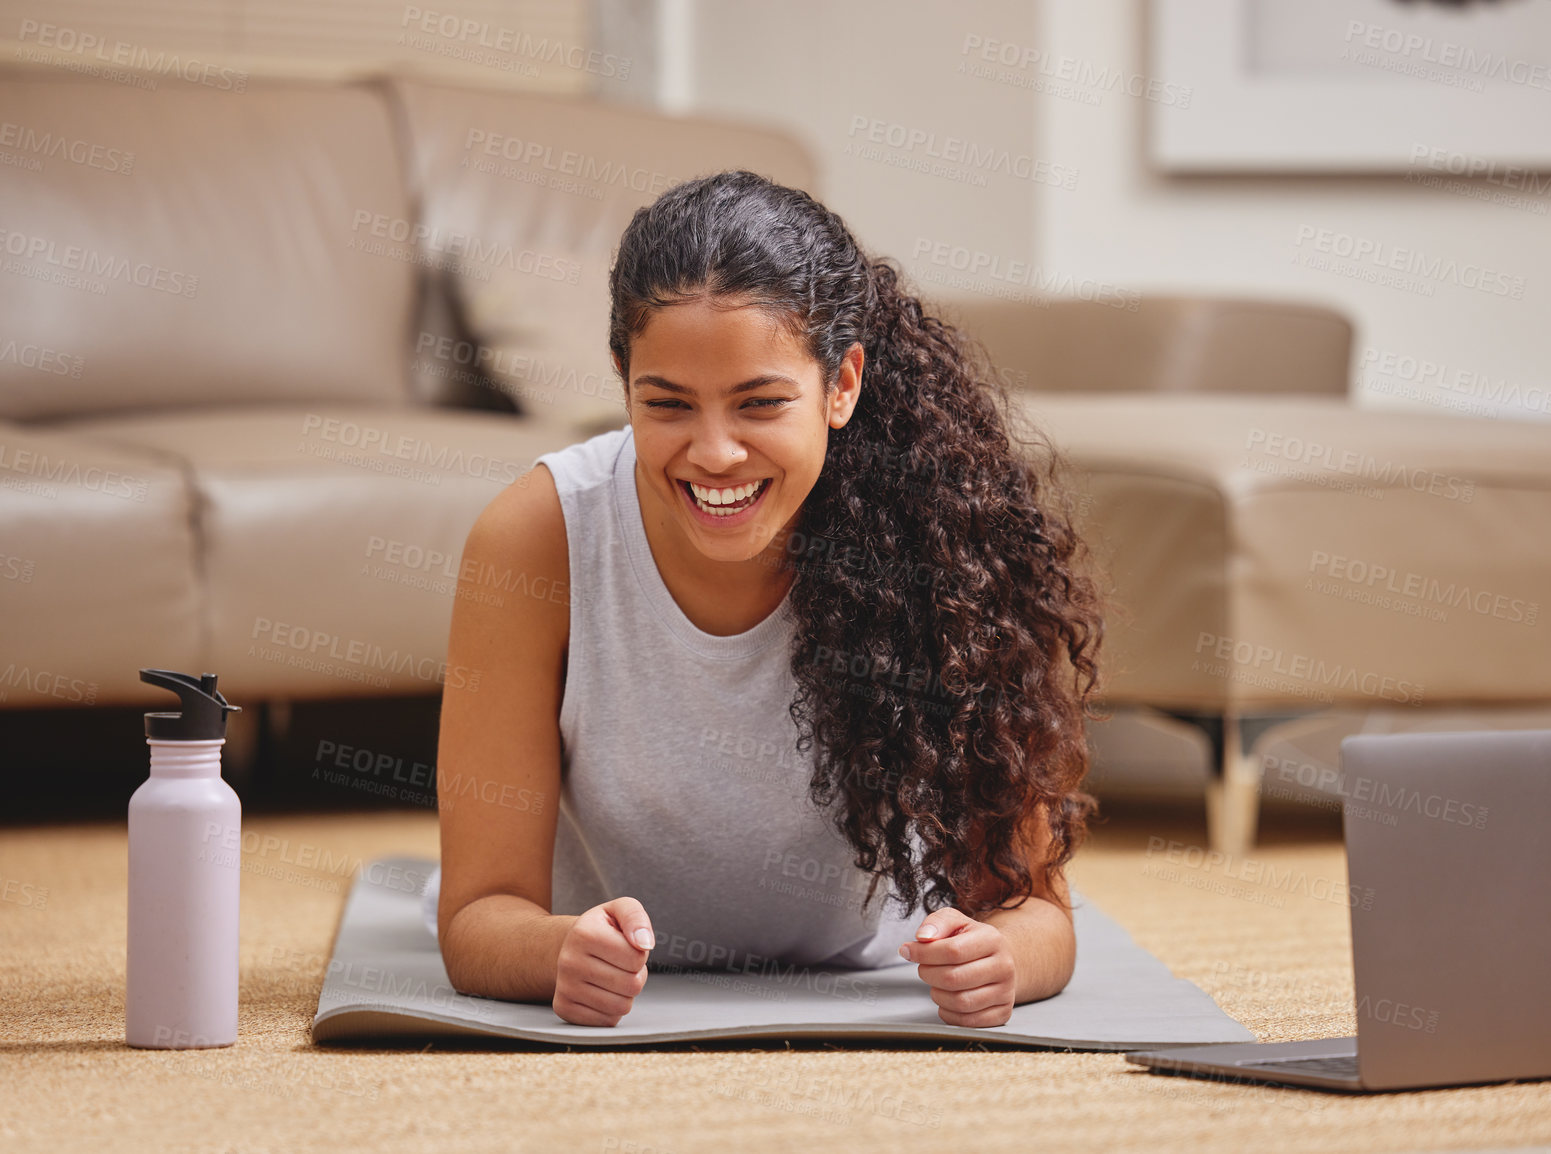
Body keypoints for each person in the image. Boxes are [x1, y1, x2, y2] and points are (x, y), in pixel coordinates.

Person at [428, 170, 1105, 1030]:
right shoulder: (535, 538)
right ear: (620, 377)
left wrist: (997, 960)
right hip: (611, 973)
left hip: (866, 978)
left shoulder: (944, 552)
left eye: (760, 404)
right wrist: (553, 954)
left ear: (842, 385)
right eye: (666, 403)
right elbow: (480, 917)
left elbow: (1037, 913)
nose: (714, 453)